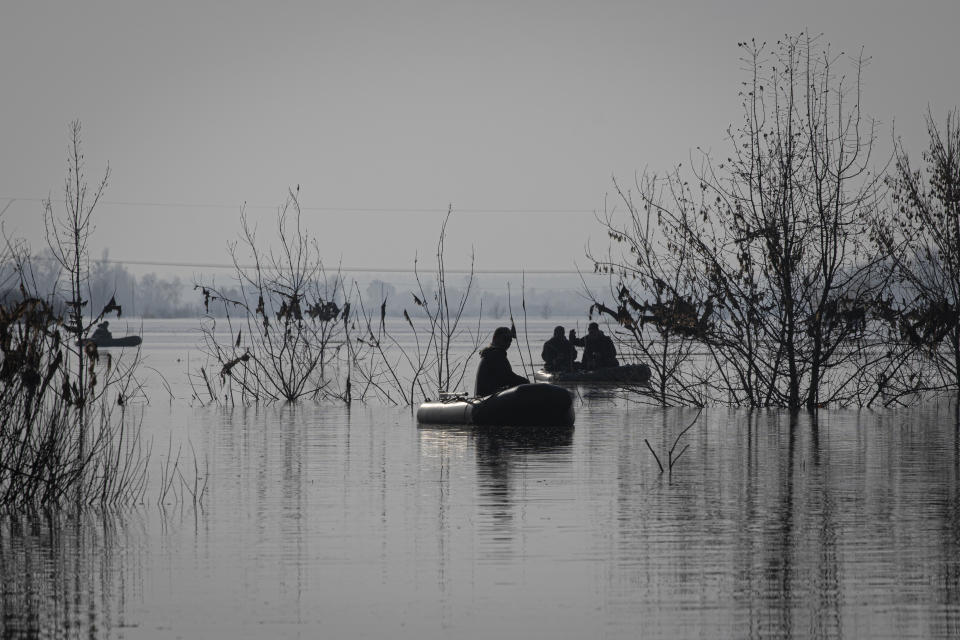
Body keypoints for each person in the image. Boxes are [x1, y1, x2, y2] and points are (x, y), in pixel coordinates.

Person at [475, 326, 529, 396]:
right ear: (495, 339)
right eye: (505, 339)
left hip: (485, 396)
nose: (508, 343)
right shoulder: (496, 354)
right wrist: (525, 382)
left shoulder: (490, 353)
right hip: (487, 398)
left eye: (510, 340)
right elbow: (508, 377)